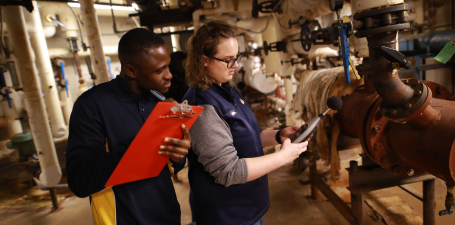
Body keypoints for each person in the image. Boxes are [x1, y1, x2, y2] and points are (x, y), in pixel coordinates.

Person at [182, 21, 309, 225]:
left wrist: (278, 135)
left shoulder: (225, 89)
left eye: (236, 57)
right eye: (227, 60)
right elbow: (228, 171)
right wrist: (283, 157)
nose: (236, 65)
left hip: (249, 206)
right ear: (204, 60)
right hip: (228, 215)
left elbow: (246, 134)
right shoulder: (204, 106)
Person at [66, 28, 190, 225]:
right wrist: (143, 142)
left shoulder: (159, 103)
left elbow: (168, 165)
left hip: (167, 216)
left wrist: (178, 156)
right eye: (159, 70)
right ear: (131, 70)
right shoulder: (92, 105)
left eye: (167, 67)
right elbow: (80, 181)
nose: (169, 75)